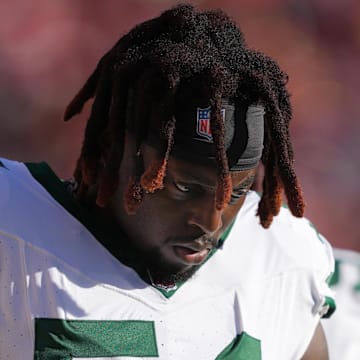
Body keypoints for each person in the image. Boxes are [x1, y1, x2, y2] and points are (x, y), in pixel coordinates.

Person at [0, 4, 335, 359]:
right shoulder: (13, 224)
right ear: (114, 149)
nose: (210, 222)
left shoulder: (280, 259)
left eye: (236, 192)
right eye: (184, 188)